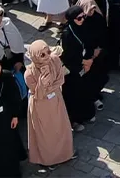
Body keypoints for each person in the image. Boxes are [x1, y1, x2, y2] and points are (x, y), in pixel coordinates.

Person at [24, 38, 75, 169]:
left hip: (56, 100)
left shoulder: (55, 60)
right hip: (41, 106)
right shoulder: (29, 73)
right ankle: (49, 160)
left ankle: (65, 154)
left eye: (48, 52)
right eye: (42, 55)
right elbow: (39, 94)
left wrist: (48, 87)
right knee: (46, 134)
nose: (47, 56)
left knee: (61, 128)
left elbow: (60, 80)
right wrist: (43, 81)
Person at [59, 5, 97, 130]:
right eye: (79, 18)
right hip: (73, 68)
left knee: (86, 90)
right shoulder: (67, 34)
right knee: (74, 95)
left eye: (83, 16)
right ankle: (75, 120)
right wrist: (83, 61)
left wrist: (90, 59)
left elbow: (90, 43)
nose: (82, 20)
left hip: (86, 64)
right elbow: (68, 55)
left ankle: (87, 113)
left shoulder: (84, 27)